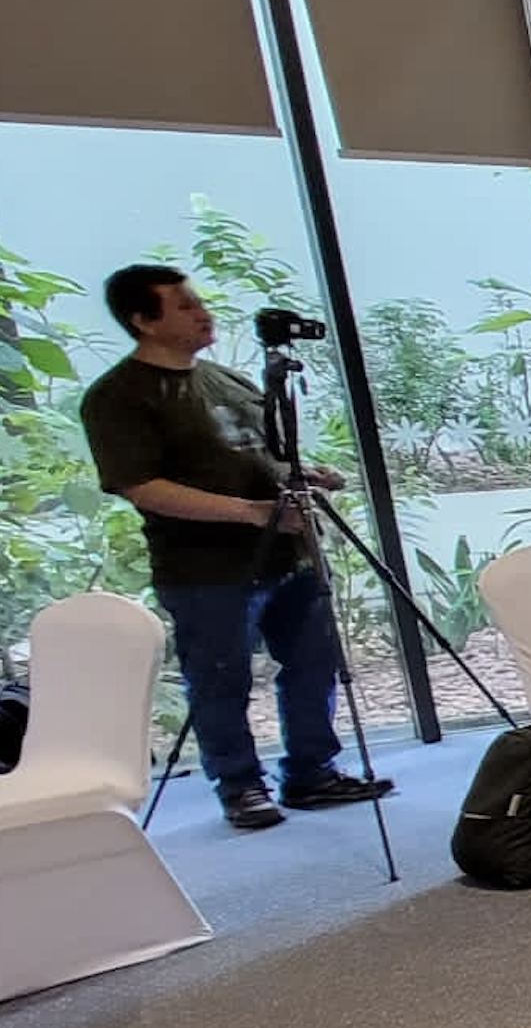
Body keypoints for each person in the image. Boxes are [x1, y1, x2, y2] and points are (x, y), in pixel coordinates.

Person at [77, 263, 394, 831]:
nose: (203, 312)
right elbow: (142, 486)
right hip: (207, 568)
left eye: (198, 300)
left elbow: (260, 452)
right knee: (221, 677)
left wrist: (304, 475)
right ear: (143, 321)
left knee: (314, 663)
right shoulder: (119, 397)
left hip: (288, 554)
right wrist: (250, 513)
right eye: (184, 305)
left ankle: (312, 771)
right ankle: (240, 785)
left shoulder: (226, 379)